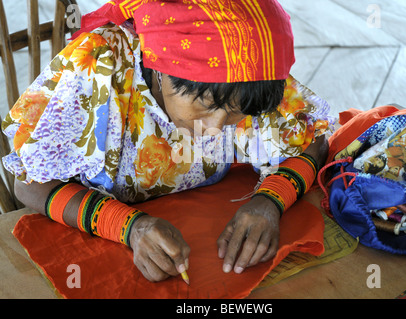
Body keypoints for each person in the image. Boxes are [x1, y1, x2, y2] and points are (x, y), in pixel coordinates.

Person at [1, 0, 333, 283]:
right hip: (102, 244)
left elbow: (311, 138)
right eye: (206, 107)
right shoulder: (99, 69)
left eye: (236, 115)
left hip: (201, 216)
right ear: (159, 68)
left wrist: (271, 200)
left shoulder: (247, 73)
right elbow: (29, 185)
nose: (216, 129)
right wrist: (129, 226)